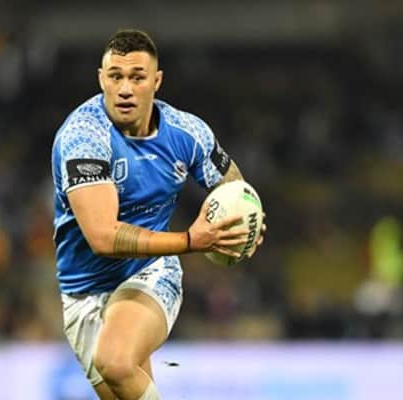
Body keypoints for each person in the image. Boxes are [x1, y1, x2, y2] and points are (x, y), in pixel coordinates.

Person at [51, 29, 263, 400]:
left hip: (149, 271)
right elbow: (103, 237)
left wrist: (248, 221)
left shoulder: (186, 133)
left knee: (115, 361)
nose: (125, 89)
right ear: (101, 79)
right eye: (115, 76)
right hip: (82, 291)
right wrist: (189, 241)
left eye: (137, 77)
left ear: (157, 81)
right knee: (124, 381)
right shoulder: (83, 137)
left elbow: (234, 187)